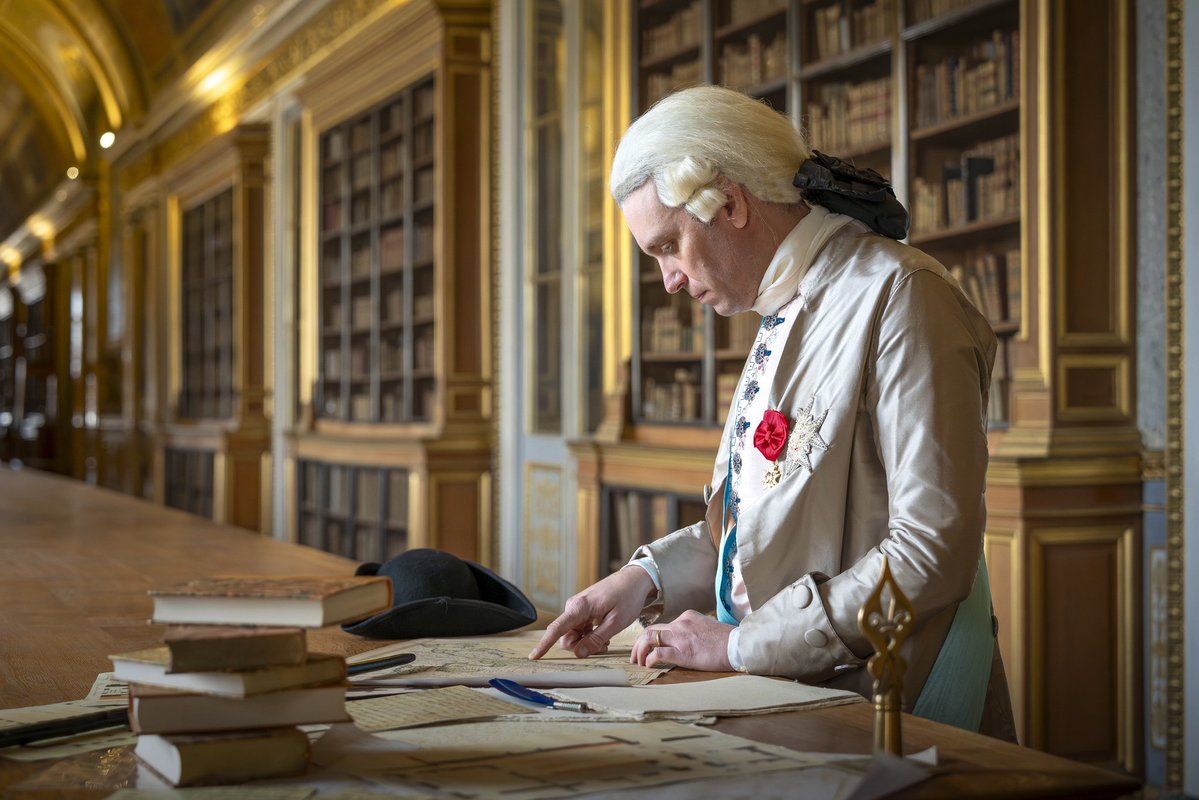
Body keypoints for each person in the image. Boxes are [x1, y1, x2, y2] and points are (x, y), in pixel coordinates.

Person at [529, 85, 1016, 739]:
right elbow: (750, 534)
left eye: (668, 245)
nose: (669, 279)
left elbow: (930, 553)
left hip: (887, 708)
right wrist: (641, 579)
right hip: (780, 695)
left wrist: (736, 646)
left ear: (729, 203)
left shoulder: (900, 295)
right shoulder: (782, 308)